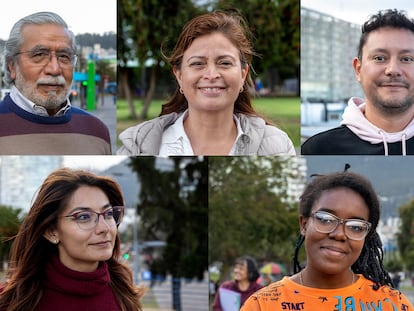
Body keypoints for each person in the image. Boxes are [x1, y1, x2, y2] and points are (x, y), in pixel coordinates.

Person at [117, 11, 295, 156]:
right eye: (197, 63)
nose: (211, 74)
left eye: (224, 63)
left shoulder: (277, 147)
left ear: (243, 75)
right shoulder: (137, 145)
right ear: (179, 76)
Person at [241, 168, 413, 310]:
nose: (339, 234)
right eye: (325, 219)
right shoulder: (262, 305)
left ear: (365, 237)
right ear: (304, 224)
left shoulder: (393, 304)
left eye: (355, 226)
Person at [0, 168, 145, 310]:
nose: (105, 228)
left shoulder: (124, 293)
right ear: (51, 231)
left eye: (108, 213)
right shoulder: (11, 302)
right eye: (84, 217)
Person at [301, 9, 414, 155]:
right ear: (358, 70)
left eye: (407, 59)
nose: (393, 70)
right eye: (379, 58)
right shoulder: (317, 150)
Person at [0, 12, 111, 154]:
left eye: (64, 56)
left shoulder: (96, 131)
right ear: (11, 65)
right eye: (39, 55)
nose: (54, 69)